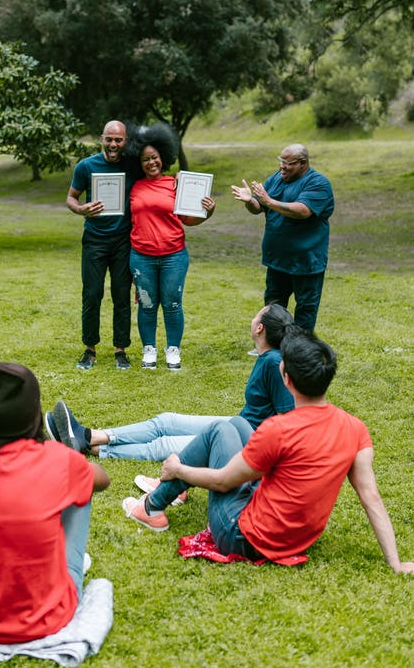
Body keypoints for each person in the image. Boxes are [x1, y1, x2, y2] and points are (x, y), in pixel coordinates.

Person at [122, 332, 414, 575]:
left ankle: (152, 508)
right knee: (233, 424)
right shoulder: (355, 428)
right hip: (295, 540)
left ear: (287, 380)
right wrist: (396, 563)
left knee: (216, 431)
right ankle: (159, 500)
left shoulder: (279, 428)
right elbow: (370, 497)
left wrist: (178, 469)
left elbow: (223, 482)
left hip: (243, 537)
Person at [0, 362, 110, 643]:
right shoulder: (59, 460)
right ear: (33, 415)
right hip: (45, 618)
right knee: (84, 485)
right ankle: (67, 565)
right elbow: (102, 480)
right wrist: (67, 462)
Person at [44, 303, 294, 464]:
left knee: (163, 446)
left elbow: (289, 419)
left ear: (260, 328)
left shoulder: (273, 362)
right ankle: (87, 436)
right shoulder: (267, 358)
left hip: (245, 441)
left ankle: (91, 449)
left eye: (257, 314)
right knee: (166, 422)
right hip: (236, 425)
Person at [127, 122, 215, 370]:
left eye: (154, 157)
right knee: (147, 304)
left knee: (172, 303)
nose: (151, 163)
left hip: (173, 255)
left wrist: (208, 212)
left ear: (163, 157)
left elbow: (188, 220)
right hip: (141, 256)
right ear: (138, 162)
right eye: (145, 159)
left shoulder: (175, 184)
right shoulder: (133, 186)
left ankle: (173, 350)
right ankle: (149, 350)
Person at [231, 144, 334, 333]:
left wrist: (268, 200)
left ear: (303, 163)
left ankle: (299, 348)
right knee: (274, 304)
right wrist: (249, 201)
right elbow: (258, 207)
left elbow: (303, 211)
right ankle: (271, 343)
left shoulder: (318, 183)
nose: (282, 167)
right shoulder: (277, 179)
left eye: (287, 163)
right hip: (278, 258)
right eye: (281, 161)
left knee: (305, 306)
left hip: (306, 260)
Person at [67, 119, 137, 371]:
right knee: (92, 294)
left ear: (125, 141)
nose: (113, 144)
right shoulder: (86, 166)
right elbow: (71, 197)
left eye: (118, 139)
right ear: (101, 139)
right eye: (109, 139)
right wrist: (81, 209)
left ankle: (121, 350)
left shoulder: (133, 166)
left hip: (122, 242)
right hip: (94, 241)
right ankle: (90, 349)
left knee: (122, 296)